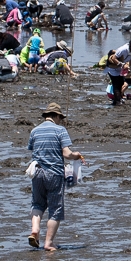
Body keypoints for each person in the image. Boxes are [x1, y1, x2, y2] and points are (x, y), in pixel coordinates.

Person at [26, 104, 84, 252]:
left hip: (37, 172)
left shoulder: (35, 130)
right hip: (54, 173)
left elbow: (33, 149)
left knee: (37, 204)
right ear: (56, 116)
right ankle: (49, 243)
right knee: (55, 208)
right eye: (60, 118)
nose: (61, 121)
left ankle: (35, 229)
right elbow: (66, 153)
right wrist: (76, 155)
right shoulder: (60, 130)